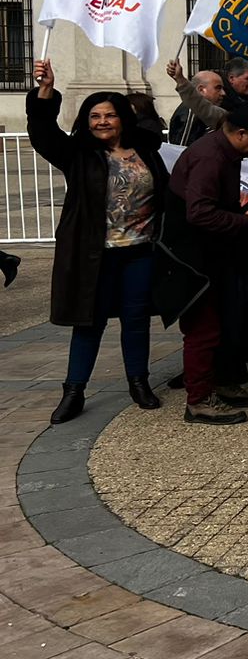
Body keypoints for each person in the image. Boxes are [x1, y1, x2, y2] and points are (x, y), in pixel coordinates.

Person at [27, 58, 169, 424]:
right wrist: (45, 93)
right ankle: (74, 391)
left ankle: (139, 383)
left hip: (139, 252)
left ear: (122, 118)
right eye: (94, 116)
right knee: (88, 322)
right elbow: (43, 133)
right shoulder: (79, 155)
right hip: (94, 254)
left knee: (136, 320)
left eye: (108, 115)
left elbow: (166, 196)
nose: (101, 122)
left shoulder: (147, 153)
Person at [154, 103, 248, 425]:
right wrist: (244, 220)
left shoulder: (224, 153)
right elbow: (199, 213)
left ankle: (221, 384)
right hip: (193, 259)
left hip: (214, 254)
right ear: (241, 134)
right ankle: (198, 400)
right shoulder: (210, 157)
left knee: (224, 323)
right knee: (203, 330)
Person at [166, 68, 225, 145]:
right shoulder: (190, 113)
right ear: (201, 90)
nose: (223, 93)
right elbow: (180, 149)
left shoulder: (212, 111)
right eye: (218, 88)